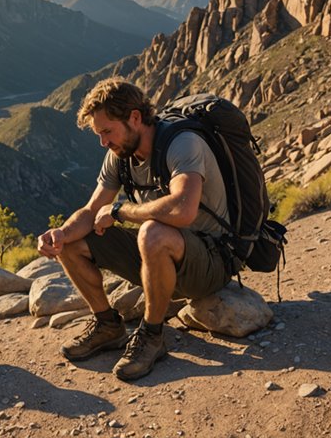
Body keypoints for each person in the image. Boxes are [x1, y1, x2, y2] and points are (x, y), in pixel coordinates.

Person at [37, 77, 233, 381]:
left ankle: (152, 335)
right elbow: (92, 211)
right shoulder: (120, 156)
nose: (103, 142)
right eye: (99, 134)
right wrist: (60, 234)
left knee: (151, 232)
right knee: (73, 242)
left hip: (210, 260)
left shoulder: (182, 144)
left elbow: (183, 209)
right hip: (161, 255)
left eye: (107, 131)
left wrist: (121, 211)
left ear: (135, 118)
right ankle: (107, 325)